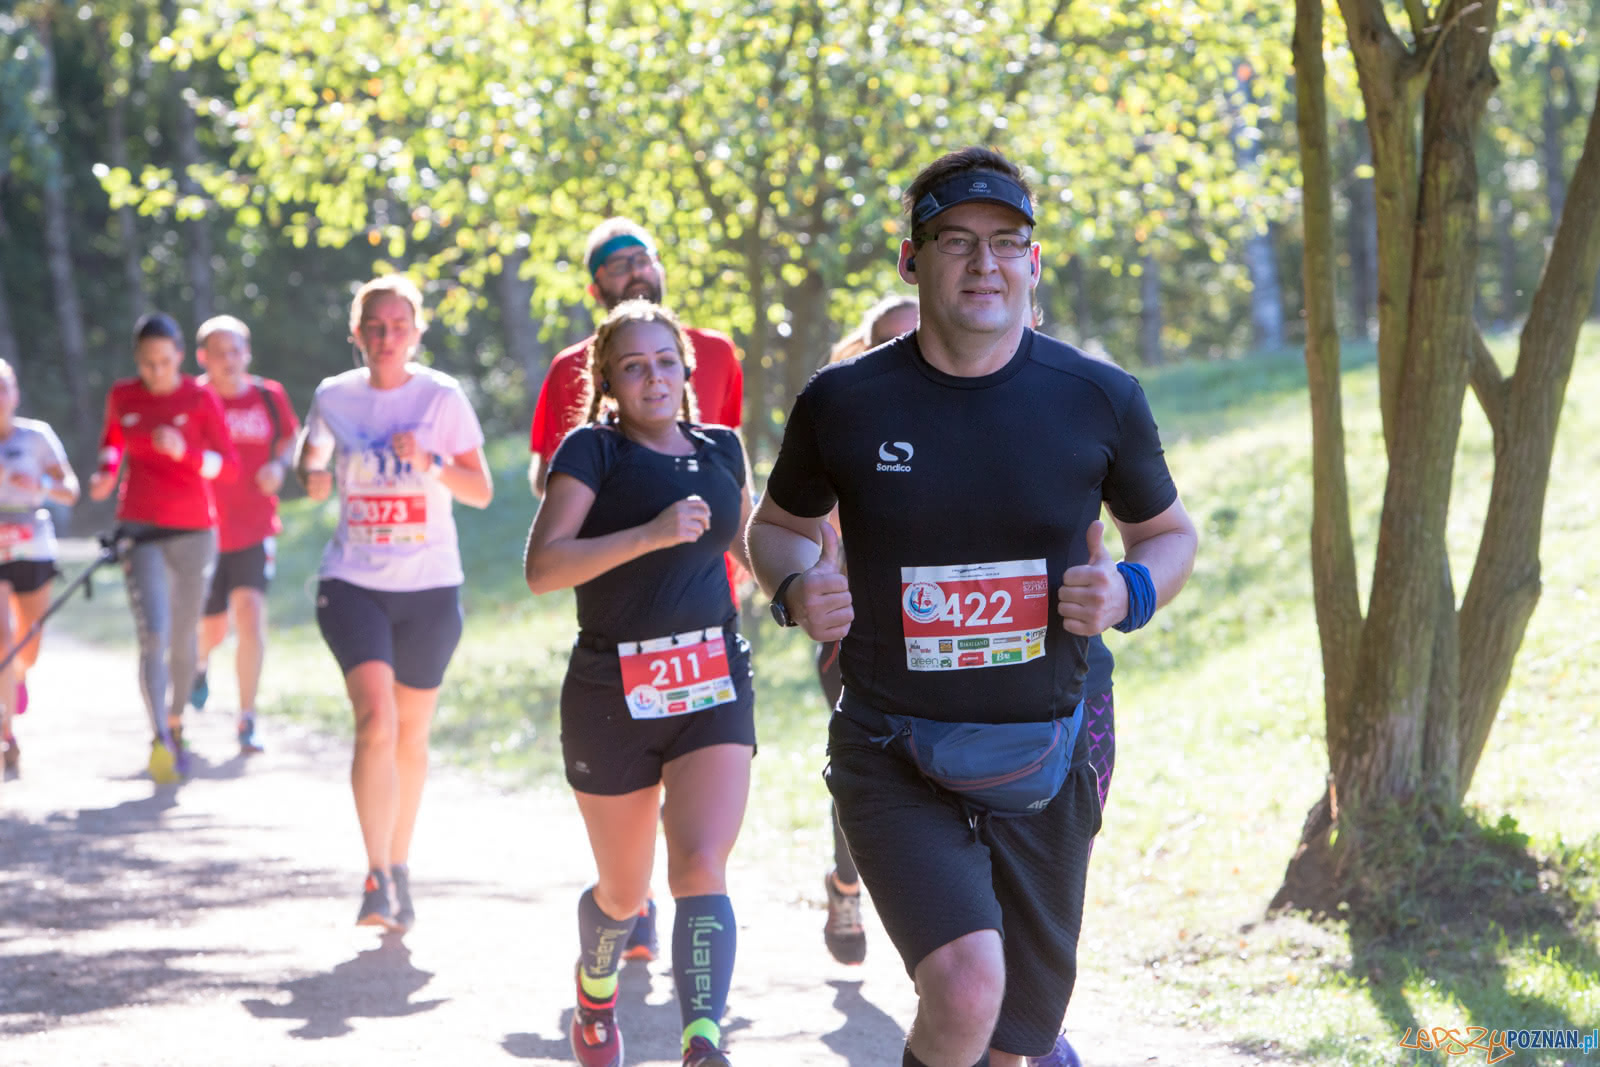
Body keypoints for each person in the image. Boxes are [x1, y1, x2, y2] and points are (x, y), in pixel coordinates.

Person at [747, 146, 1197, 1067]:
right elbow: (777, 527)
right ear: (913, 261)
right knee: (965, 985)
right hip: (891, 746)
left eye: (1007, 242)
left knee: (1009, 1041)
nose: (984, 263)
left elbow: (1169, 534)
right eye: (957, 240)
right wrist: (796, 586)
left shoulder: (1098, 399)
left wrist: (1129, 589)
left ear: (1033, 261)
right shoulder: (844, 401)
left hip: (1047, 747)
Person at [523, 300, 755, 1067]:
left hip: (712, 676)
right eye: (633, 365)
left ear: (687, 367)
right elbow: (544, 567)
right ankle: (595, 991)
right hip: (611, 693)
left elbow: (751, 549)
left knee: (699, 864)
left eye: (664, 360)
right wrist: (651, 534)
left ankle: (702, 1042)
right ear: (609, 381)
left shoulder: (723, 447)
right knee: (625, 893)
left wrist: (812, 587)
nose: (653, 376)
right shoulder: (593, 450)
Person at [294, 274, 493, 932]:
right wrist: (312, 471)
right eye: (373, 326)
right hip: (353, 581)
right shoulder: (333, 396)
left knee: (411, 735)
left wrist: (431, 460)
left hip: (430, 587)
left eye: (398, 326)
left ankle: (400, 865)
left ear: (417, 331)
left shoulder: (441, 397)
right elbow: (313, 471)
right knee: (375, 721)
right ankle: (376, 872)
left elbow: (481, 490)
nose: (386, 337)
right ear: (356, 334)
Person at [89, 312, 240, 784]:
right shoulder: (123, 395)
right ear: (138, 360)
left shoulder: (199, 397)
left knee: (183, 636)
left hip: (194, 529)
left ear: (178, 356)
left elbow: (229, 467)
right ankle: (158, 735)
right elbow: (113, 443)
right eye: (148, 363)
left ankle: (176, 722)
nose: (156, 372)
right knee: (153, 633)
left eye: (165, 362)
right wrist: (104, 472)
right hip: (139, 528)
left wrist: (186, 454)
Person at [814, 293, 917, 965]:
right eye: (890, 341)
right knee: (867, 766)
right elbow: (806, 524)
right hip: (858, 630)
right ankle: (846, 881)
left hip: (947, 629)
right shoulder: (847, 423)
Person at [191, 315, 300, 754]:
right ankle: (199, 664)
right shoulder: (193, 399)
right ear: (203, 358)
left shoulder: (269, 396)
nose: (229, 360)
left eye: (236, 351)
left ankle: (247, 717)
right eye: (219, 353)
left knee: (250, 614)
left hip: (255, 528)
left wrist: (279, 465)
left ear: (247, 354)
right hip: (202, 531)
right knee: (213, 628)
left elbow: (289, 438)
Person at [0, 358, 81, 774]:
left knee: (27, 646)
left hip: (33, 546)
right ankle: (7, 734)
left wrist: (41, 485)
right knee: (2, 639)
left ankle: (17, 675)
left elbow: (71, 491)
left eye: (2, 387)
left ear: (15, 393)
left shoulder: (37, 437)